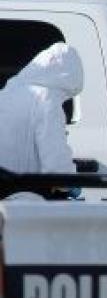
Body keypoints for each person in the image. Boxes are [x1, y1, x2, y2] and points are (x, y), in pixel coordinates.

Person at [0, 42, 82, 197]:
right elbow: (57, 168)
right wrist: (71, 184)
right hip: (23, 197)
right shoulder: (46, 99)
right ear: (68, 81)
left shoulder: (8, 91)